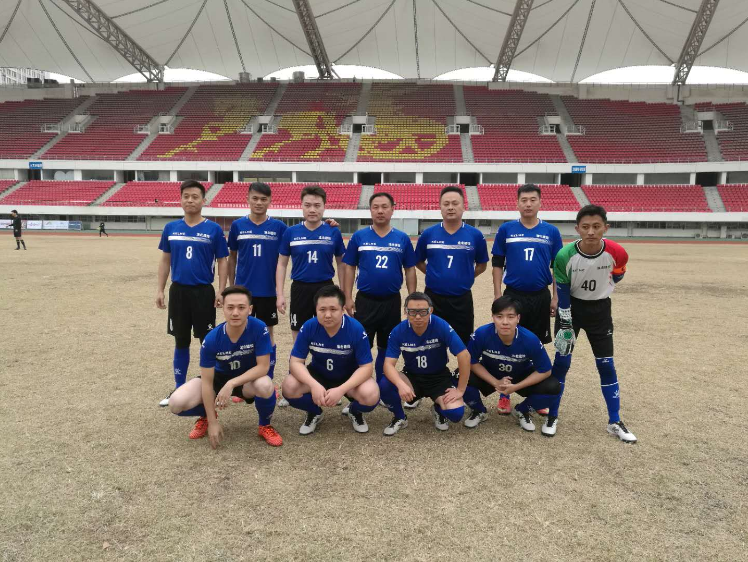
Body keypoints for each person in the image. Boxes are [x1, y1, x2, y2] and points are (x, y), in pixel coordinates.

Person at [545, 205, 637, 443]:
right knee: (562, 363)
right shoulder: (564, 255)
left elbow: (618, 274)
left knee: (606, 365)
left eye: (597, 226)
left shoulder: (617, 252)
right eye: (585, 227)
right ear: (577, 229)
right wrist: (566, 322)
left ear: (606, 227)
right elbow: (562, 291)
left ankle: (614, 421)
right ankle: (552, 416)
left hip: (600, 311)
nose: (591, 232)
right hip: (571, 310)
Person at [167, 286, 282, 448]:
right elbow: (207, 382)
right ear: (223, 309)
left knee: (265, 385)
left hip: (246, 380)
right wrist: (213, 422)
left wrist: (232, 383)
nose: (235, 313)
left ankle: (265, 425)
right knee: (175, 403)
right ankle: (207, 416)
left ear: (250, 309)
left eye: (241, 307)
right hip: (218, 379)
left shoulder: (259, 328)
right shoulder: (211, 339)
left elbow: (263, 367)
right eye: (230, 307)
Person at [342, 191, 417, 418]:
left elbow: (410, 269)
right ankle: (359, 393)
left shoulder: (402, 238)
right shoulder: (359, 237)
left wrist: (412, 299)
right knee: (360, 349)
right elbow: (349, 267)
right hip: (365, 301)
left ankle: (383, 392)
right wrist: (347, 296)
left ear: (393, 209)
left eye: (385, 207)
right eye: (376, 207)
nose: (380, 211)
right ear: (370, 210)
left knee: (386, 349)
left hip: (391, 302)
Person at [156, 180, 229, 408]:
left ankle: (211, 387)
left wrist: (221, 290)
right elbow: (165, 260)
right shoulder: (171, 228)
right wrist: (160, 289)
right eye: (186, 196)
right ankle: (179, 387)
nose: (190, 200)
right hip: (178, 292)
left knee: (206, 342)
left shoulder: (213, 229)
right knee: (181, 341)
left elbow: (222, 261)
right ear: (180, 199)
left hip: (203, 292)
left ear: (203, 200)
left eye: (195, 196)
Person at [491, 184, 563, 414]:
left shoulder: (551, 232)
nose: (528, 204)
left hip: (540, 296)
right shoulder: (506, 229)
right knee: (508, 343)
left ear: (540, 203)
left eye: (533, 200)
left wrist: (555, 297)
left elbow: (557, 267)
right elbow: (497, 263)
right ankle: (505, 394)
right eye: (524, 200)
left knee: (536, 345)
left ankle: (536, 395)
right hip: (513, 294)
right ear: (517, 203)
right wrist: (498, 294)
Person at [282, 285, 379, 435]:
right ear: (316, 310)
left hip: (348, 376)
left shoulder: (355, 328)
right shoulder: (309, 326)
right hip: (319, 374)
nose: (327, 315)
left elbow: (366, 368)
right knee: (289, 386)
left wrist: (341, 389)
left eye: (333, 309)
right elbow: (295, 362)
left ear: (343, 309)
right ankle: (314, 412)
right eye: (322, 310)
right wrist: (313, 384)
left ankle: (354, 411)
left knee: (371, 394)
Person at [462, 296, 561, 432]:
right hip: (491, 374)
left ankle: (522, 410)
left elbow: (545, 370)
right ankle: (479, 410)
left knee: (553, 386)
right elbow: (470, 361)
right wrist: (495, 382)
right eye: (499, 316)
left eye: (510, 317)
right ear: (493, 317)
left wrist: (516, 387)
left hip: (520, 376)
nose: (505, 322)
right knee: (458, 376)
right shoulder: (481, 334)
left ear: (518, 318)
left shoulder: (530, 339)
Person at [379, 292, 470, 435]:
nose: (418, 317)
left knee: (456, 413)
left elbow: (464, 355)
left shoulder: (441, 325)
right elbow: (388, 365)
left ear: (431, 310)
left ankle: (438, 409)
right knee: (385, 384)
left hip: (439, 377)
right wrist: (401, 384)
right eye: (412, 312)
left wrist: (460, 390)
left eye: (423, 312)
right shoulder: (398, 331)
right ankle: (400, 417)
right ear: (405, 311)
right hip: (412, 377)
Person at [227, 182, 286, 398]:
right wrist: (232, 287)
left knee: (267, 335)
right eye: (255, 198)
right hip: (244, 293)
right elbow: (232, 257)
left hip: (268, 292)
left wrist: (329, 224)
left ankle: (267, 380)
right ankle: (242, 383)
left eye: (263, 199)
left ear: (270, 201)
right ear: (248, 199)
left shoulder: (279, 227)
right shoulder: (237, 225)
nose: (259, 203)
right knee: (241, 335)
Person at [415, 186, 488, 346]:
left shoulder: (475, 235)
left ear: (463, 206)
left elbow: (482, 265)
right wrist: (433, 274)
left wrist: (466, 276)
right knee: (431, 343)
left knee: (464, 344)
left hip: (462, 298)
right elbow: (418, 261)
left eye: (455, 203)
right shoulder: (428, 234)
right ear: (440, 207)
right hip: (433, 298)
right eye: (446, 204)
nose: (450, 207)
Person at [276, 185, 345, 340]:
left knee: (328, 330)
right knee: (299, 333)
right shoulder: (291, 232)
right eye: (307, 205)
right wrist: (280, 295)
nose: (312, 210)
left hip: (326, 286)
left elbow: (341, 264)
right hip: (300, 288)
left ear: (324, 206)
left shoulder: (333, 231)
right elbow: (281, 264)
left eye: (317, 205)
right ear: (301, 206)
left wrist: (343, 292)